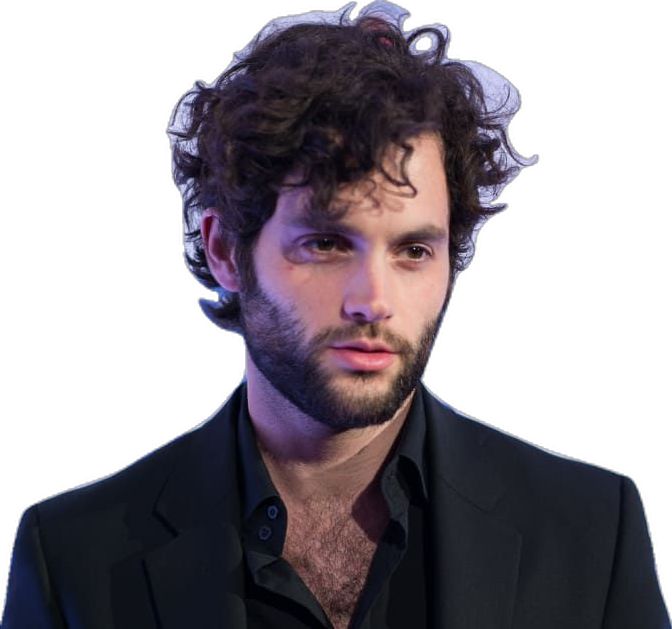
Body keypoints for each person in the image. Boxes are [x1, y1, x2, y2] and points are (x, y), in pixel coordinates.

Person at [2, 1, 669, 627]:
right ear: (225, 250)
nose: (373, 300)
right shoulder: (71, 561)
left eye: (413, 249)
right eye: (325, 243)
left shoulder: (590, 535)